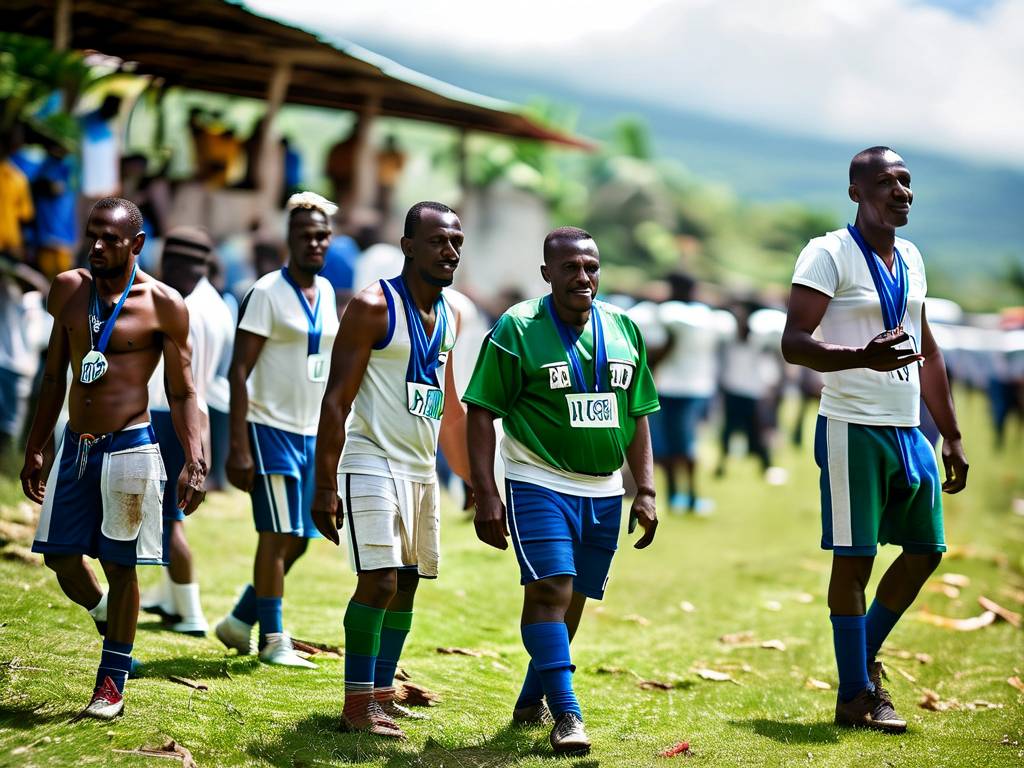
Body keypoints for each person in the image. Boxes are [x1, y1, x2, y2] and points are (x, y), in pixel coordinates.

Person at [781, 147, 968, 733]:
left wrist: (951, 434)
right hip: (850, 425)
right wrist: (863, 356)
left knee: (926, 551)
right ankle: (856, 695)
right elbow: (793, 342)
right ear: (856, 191)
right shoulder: (828, 253)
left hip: (908, 429)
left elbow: (927, 348)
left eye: (906, 182)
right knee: (856, 559)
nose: (901, 191)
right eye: (887, 182)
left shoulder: (911, 256)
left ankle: (858, 664)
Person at [464, 227, 660, 756]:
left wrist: (645, 489)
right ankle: (567, 714)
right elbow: (480, 411)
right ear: (546, 273)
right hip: (538, 479)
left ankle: (532, 699)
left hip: (605, 490)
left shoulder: (623, 327)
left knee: (573, 600)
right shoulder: (517, 327)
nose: (582, 277)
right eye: (570, 267)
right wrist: (486, 493)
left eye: (591, 267)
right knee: (549, 590)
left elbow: (638, 413)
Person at [20, 197, 206, 719]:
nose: (97, 246)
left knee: (121, 566)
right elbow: (53, 376)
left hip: (130, 448)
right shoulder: (68, 289)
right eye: (92, 236)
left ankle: (111, 684)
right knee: (60, 557)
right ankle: (107, 614)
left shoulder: (164, 303)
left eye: (110, 239)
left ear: (137, 244)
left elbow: (183, 391)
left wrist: (194, 458)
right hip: (75, 447)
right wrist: (36, 445)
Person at [311, 201, 469, 737]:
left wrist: (470, 477)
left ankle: (381, 693)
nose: (450, 252)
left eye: (456, 242)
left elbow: (449, 405)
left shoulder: (453, 315)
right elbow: (335, 401)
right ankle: (357, 704)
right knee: (378, 581)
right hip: (371, 460)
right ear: (407, 246)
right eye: (437, 241)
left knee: (407, 583)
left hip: (421, 468)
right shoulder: (372, 306)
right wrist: (324, 485)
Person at [214, 192, 340, 668]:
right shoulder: (266, 292)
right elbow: (237, 372)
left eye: (322, 235)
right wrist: (238, 447)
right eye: (306, 235)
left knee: (301, 538)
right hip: (270, 429)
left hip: (312, 433)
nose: (315, 243)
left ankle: (239, 620)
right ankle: (273, 639)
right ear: (289, 237)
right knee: (275, 533)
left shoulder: (328, 292)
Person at [141, 227, 233, 635]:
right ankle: (168, 597)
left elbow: (179, 384)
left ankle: (191, 612)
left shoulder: (182, 307)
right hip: (200, 414)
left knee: (166, 520)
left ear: (173, 263)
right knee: (171, 514)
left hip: (171, 415)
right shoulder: (218, 305)